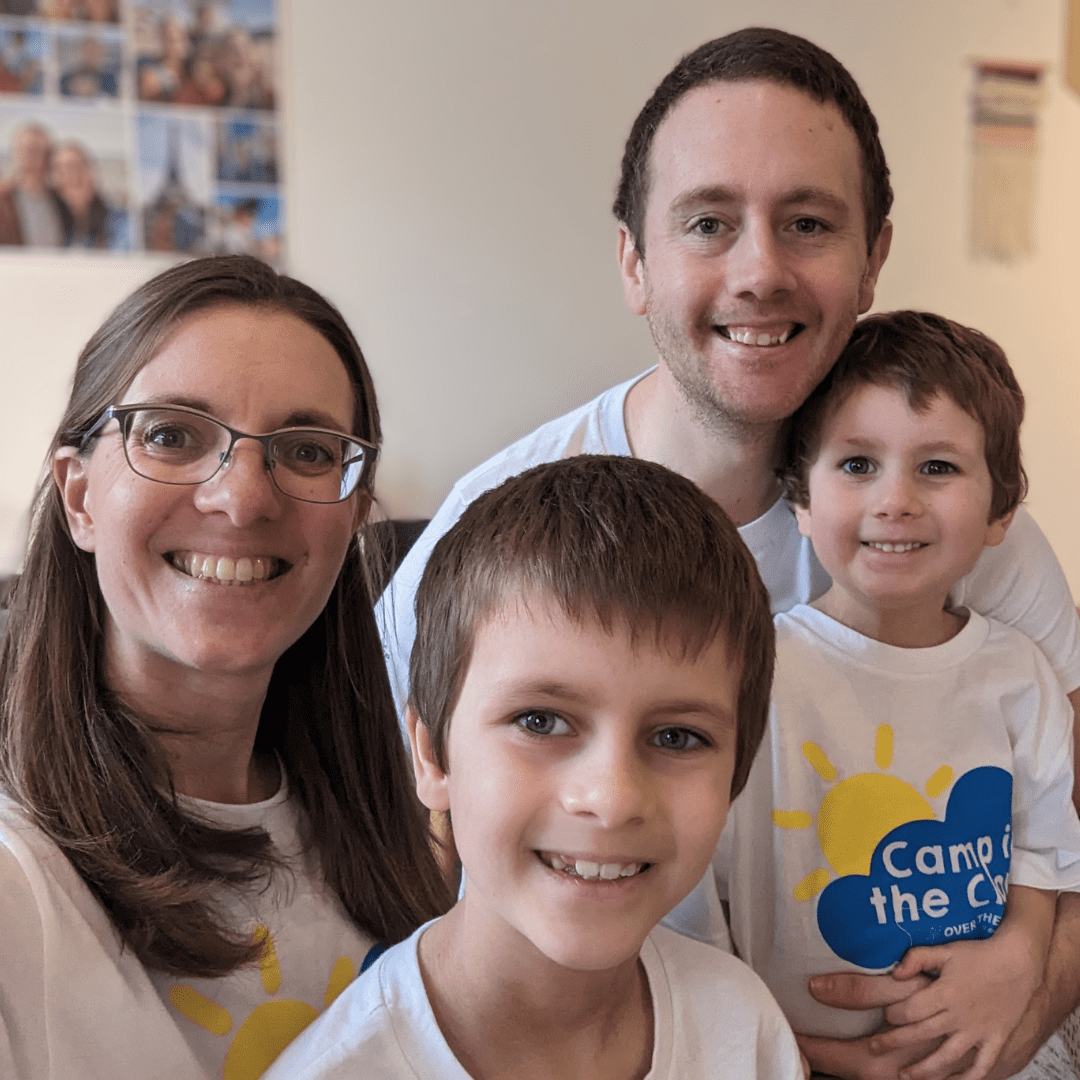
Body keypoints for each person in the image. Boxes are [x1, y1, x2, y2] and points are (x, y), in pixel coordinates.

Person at [375, 27, 1080, 1079]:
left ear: (873, 255)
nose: (760, 271)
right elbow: (413, 867)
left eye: (807, 223)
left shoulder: (957, 526)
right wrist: (739, 1046)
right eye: (709, 222)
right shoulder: (495, 534)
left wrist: (1033, 979)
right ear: (634, 261)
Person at [0, 255, 450, 1079]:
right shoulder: (17, 879)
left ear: (354, 512)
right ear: (78, 496)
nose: (243, 498)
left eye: (308, 450)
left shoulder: (395, 836)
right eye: (171, 435)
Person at [266, 455, 803, 1080]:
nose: (612, 797)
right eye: (540, 721)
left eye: (678, 736)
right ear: (432, 753)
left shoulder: (745, 1028)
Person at [701, 310, 1080, 1079]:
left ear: (1003, 510)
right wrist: (783, 1050)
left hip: (987, 1046)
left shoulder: (1021, 677)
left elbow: (1046, 847)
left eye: (937, 468)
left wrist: (1018, 956)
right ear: (800, 503)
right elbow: (702, 894)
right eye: (857, 465)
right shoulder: (752, 675)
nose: (895, 500)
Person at [0, 123, 64, 246]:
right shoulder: (3, 197)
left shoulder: (60, 198)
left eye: (38, 150)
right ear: (15, 152)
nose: (31, 157)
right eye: (27, 149)